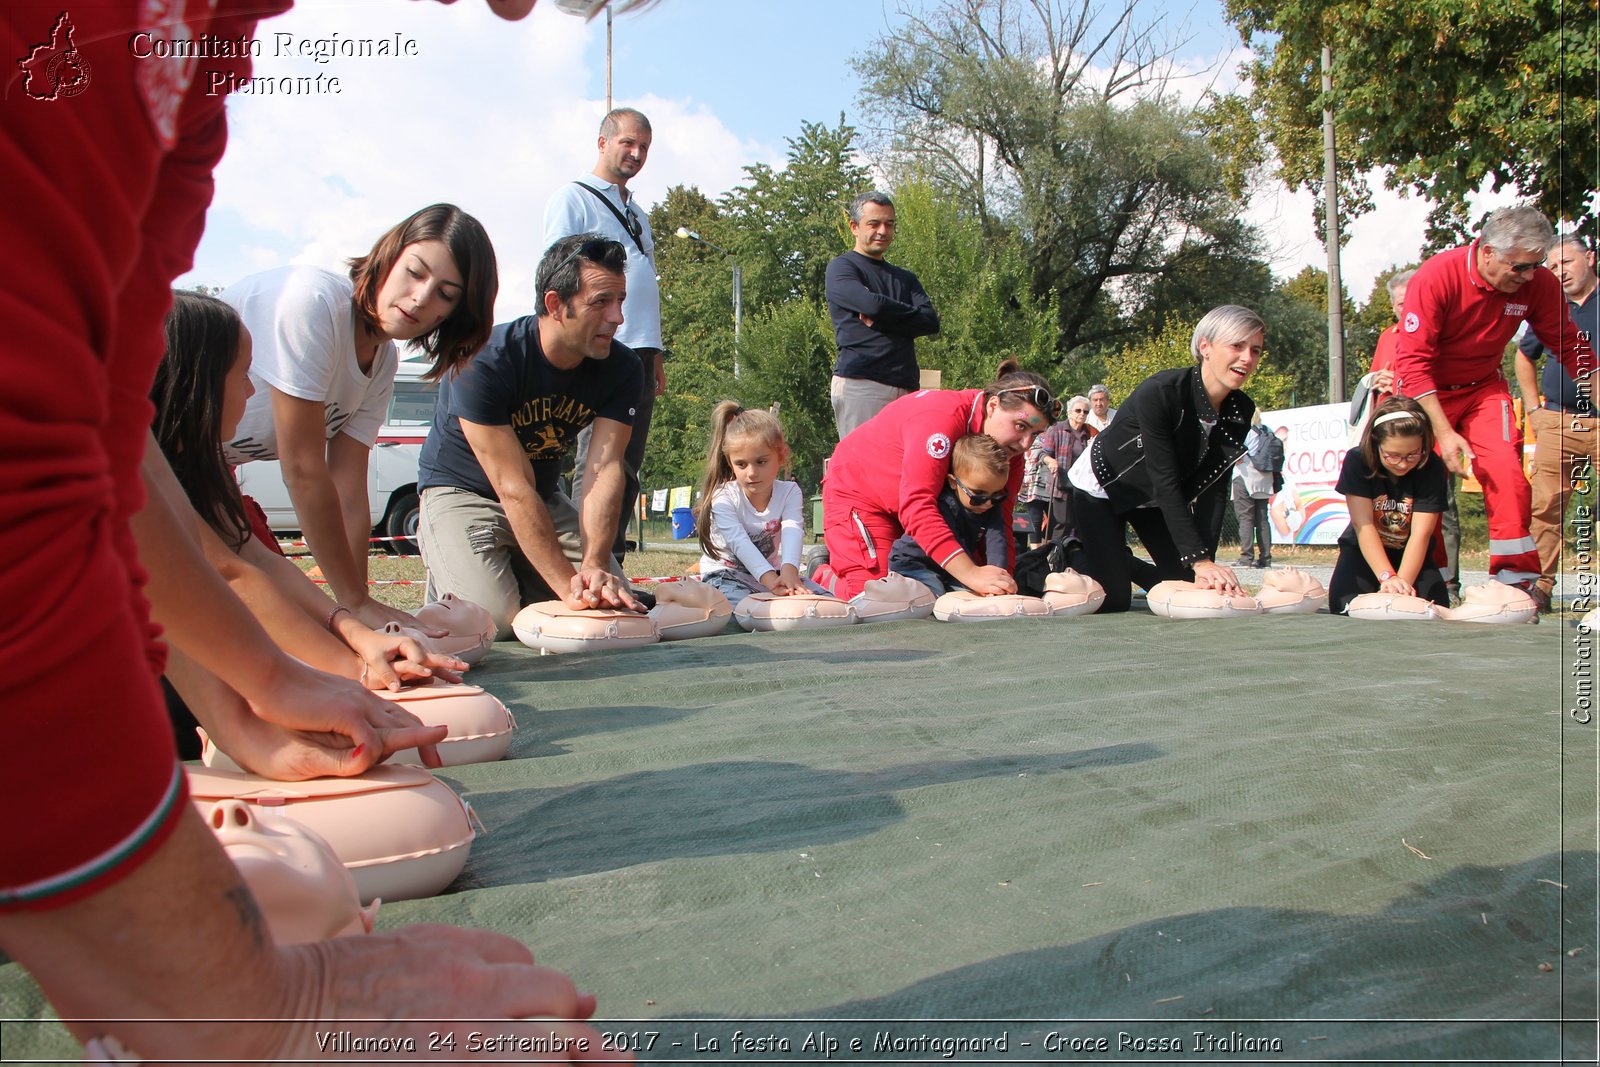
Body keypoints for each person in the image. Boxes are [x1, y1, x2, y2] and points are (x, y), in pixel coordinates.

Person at [0, 1, 621, 1061]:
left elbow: (106, 432)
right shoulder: (88, 32)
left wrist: (261, 677)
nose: (524, 13)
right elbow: (30, 468)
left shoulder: (196, 62)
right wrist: (243, 995)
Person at [152, 291, 467, 756]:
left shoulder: (202, 465)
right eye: (242, 374)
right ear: (193, 384)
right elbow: (232, 575)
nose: (252, 391)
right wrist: (353, 672)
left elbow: (254, 558)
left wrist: (356, 635)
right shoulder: (143, 472)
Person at [221, 204, 497, 631]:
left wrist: (359, 605)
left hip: (205, 475)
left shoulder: (382, 362)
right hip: (139, 454)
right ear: (388, 256)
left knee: (287, 619)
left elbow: (347, 489)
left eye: (445, 293)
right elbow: (304, 470)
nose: (420, 298)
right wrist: (352, 602)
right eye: (416, 272)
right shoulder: (312, 305)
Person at [418, 234, 646, 638]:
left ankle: (521, 576)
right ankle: (449, 586)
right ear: (556, 304)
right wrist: (568, 588)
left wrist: (593, 564)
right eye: (600, 302)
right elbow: (511, 487)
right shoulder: (482, 359)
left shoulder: (622, 368)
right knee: (490, 621)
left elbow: (603, 468)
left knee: (614, 598)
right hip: (464, 493)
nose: (617, 318)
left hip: (542, 494)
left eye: (620, 301)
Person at [1392, 205, 1597, 609]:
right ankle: (1422, 580)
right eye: (1519, 267)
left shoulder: (1535, 283)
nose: (1529, 277)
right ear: (1487, 252)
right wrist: (1445, 433)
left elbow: (1573, 350)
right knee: (1420, 485)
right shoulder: (1437, 276)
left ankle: (1514, 582)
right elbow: (1413, 364)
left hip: (1484, 390)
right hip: (1425, 392)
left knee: (1506, 469)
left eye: (1537, 266)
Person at [1067, 305, 1262, 613]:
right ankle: (1067, 553)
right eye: (1237, 346)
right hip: (1102, 487)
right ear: (1205, 347)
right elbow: (1165, 478)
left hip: (1152, 497)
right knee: (1114, 600)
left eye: (1255, 350)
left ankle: (1120, 561)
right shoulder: (1161, 392)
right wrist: (1198, 558)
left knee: (1188, 585)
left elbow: (1214, 491)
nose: (1247, 358)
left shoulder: (1240, 410)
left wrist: (1204, 565)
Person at [817, 361, 1057, 600]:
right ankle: (823, 573)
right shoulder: (941, 419)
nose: (1025, 444)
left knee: (949, 592)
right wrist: (972, 573)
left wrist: (1001, 580)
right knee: (875, 596)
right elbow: (918, 506)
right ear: (992, 405)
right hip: (859, 495)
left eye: (1034, 434)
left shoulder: (1009, 450)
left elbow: (1000, 518)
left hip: (914, 509)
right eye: (1020, 426)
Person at [543, 108, 663, 565]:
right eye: (628, 143)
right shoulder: (573, 199)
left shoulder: (639, 213)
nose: (636, 153)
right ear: (602, 142)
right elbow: (556, 272)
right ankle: (583, 561)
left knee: (627, 463)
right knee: (595, 457)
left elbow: (645, 282)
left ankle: (611, 561)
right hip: (598, 345)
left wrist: (656, 354)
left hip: (641, 348)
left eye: (645, 147)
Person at [1359, 267, 1462, 599]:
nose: (1409, 309)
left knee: (1438, 509)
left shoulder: (1441, 334)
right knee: (1387, 510)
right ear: (1393, 306)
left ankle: (1447, 581)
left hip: (1428, 437)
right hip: (1389, 439)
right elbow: (1378, 378)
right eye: (1402, 303)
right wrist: (1377, 381)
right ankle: (1391, 574)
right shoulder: (1387, 336)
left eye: (1414, 301)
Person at [1515, 234, 1599, 608]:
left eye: (1566, 262)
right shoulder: (1551, 307)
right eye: (1551, 267)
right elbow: (1523, 356)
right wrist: (1534, 410)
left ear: (1591, 259)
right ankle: (1540, 587)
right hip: (1557, 422)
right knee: (1544, 508)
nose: (1559, 272)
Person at [825, 191, 941, 438]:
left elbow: (930, 322)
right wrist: (904, 316)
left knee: (902, 469)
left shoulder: (905, 278)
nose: (883, 231)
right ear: (854, 227)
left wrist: (879, 318)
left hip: (907, 386)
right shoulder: (842, 268)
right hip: (862, 383)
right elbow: (873, 304)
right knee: (864, 468)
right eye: (874, 223)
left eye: (889, 224)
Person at [693, 401, 829, 603]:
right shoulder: (723, 496)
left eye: (761, 462)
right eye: (741, 464)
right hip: (725, 576)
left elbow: (793, 529)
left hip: (772, 574)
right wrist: (773, 583)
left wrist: (790, 572)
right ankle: (684, 597)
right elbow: (739, 543)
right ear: (730, 463)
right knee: (740, 612)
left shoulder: (790, 491)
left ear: (780, 456)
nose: (752, 473)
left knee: (825, 601)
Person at [1329, 398, 1451, 614]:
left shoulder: (1432, 467)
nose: (1403, 463)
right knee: (1344, 608)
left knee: (1435, 609)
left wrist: (1400, 586)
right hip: (1364, 552)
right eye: (1393, 456)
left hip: (1411, 555)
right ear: (1376, 443)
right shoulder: (1357, 461)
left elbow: (1420, 534)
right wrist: (1387, 576)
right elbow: (1363, 524)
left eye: (1412, 454)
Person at [889, 434, 1014, 596]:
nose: (988, 503)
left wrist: (997, 579)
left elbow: (997, 539)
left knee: (969, 594)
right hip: (914, 563)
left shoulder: (991, 506)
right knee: (934, 592)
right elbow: (955, 543)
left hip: (950, 570)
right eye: (978, 495)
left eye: (997, 495)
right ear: (954, 483)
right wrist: (978, 578)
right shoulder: (945, 504)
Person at [1036, 394, 1094, 541]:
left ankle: (1079, 559)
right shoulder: (1057, 429)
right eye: (1078, 410)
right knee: (1063, 523)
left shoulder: (1089, 433)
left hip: (1082, 485)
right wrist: (1051, 461)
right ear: (1069, 412)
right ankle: (1055, 557)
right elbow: (1043, 454)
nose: (1082, 414)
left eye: (1085, 411)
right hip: (1061, 484)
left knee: (1082, 525)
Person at [1233, 413, 1276, 568]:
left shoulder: (1245, 431)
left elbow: (1237, 458)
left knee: (1245, 517)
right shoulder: (1267, 430)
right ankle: (1265, 558)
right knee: (1262, 518)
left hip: (1244, 476)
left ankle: (1246, 557)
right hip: (1264, 479)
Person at [1016, 436, 1051, 550]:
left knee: (1055, 520)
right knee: (1035, 519)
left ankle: (1050, 552)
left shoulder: (1053, 433)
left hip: (1050, 483)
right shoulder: (1027, 434)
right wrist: (1018, 480)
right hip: (1031, 483)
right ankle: (1035, 553)